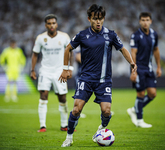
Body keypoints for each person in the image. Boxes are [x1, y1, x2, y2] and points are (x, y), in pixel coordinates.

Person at [59, 4, 137, 147]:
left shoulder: (111, 34)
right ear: (89, 19)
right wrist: (66, 69)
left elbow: (122, 49)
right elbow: (68, 48)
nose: (98, 21)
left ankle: (101, 129)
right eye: (95, 19)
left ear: (103, 19)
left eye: (100, 19)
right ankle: (69, 137)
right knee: (76, 109)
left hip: (104, 81)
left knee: (106, 111)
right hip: (86, 79)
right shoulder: (82, 35)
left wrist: (131, 62)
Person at [30, 14, 73, 132]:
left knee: (62, 98)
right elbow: (35, 54)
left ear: (57, 24)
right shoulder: (40, 38)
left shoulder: (64, 37)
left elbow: (70, 52)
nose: (51, 25)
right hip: (45, 71)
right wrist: (32, 70)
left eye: (53, 23)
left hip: (60, 71)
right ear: (46, 25)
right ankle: (42, 125)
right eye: (49, 23)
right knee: (43, 96)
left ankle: (64, 125)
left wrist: (70, 69)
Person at [127, 12, 162, 128]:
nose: (145, 22)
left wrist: (159, 66)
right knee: (141, 94)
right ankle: (140, 120)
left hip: (149, 68)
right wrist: (133, 71)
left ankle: (134, 109)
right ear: (139, 21)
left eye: (147, 20)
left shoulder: (154, 35)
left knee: (152, 94)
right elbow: (133, 53)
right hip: (139, 68)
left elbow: (156, 50)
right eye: (143, 20)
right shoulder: (136, 35)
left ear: (151, 21)